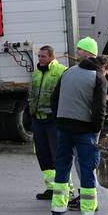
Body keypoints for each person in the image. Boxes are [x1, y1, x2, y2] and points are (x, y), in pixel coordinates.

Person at [50, 54, 108, 215]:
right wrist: (96, 129)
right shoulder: (99, 78)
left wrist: (59, 119)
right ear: (105, 67)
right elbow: (100, 109)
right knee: (87, 169)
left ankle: (57, 212)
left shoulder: (68, 72)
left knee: (62, 168)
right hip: (84, 130)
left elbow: (54, 100)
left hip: (63, 127)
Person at [28, 45, 67, 200]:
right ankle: (51, 188)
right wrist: (32, 111)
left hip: (53, 121)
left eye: (43, 56)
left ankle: (65, 189)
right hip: (38, 120)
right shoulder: (37, 72)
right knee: (43, 155)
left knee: (58, 155)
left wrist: (57, 115)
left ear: (52, 56)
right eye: (39, 56)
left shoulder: (61, 71)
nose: (40, 59)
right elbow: (31, 93)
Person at [69, 36, 99, 211]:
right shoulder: (85, 71)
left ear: (87, 52)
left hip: (86, 127)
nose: (77, 52)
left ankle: (90, 200)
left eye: (80, 49)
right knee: (81, 162)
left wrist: (95, 128)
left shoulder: (93, 74)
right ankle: (86, 197)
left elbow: (96, 105)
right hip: (83, 125)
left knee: (84, 163)